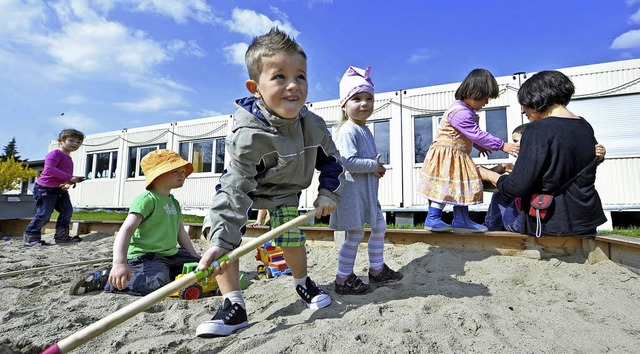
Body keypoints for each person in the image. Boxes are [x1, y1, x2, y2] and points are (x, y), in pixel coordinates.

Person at [195, 28, 345, 337]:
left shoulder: (313, 125)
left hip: (286, 191)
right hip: (248, 187)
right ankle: (233, 305)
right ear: (256, 88)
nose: (293, 86)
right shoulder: (247, 134)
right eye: (279, 77)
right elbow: (236, 187)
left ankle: (303, 282)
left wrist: (327, 192)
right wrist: (222, 239)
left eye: (300, 77)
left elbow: (332, 162)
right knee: (220, 235)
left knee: (290, 235)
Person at [479, 70, 607, 237]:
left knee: (501, 199)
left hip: (552, 224)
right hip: (587, 220)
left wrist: (487, 174)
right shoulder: (584, 126)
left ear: (538, 99)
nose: (523, 111)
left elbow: (516, 186)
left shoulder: (537, 129)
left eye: (524, 104)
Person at [69, 149, 201, 296]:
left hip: (171, 254)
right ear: (156, 176)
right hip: (146, 256)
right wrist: (119, 263)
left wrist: (194, 255)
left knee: (202, 267)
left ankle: (165, 273)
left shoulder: (173, 202)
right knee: (156, 285)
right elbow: (126, 230)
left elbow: (180, 232)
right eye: (174, 171)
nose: (182, 174)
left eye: (182, 171)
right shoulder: (147, 200)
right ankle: (107, 279)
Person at [329, 66, 403, 295]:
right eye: (357, 98)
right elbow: (348, 161)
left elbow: (366, 162)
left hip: (367, 192)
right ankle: (343, 279)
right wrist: (373, 166)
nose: (364, 104)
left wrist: (375, 169)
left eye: (369, 99)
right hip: (352, 192)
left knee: (379, 226)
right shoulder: (348, 131)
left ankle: (377, 270)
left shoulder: (366, 130)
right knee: (355, 234)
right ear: (344, 104)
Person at [417, 69, 519, 233]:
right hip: (447, 156)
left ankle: (461, 219)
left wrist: (478, 145)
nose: (486, 102)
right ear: (475, 93)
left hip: (456, 155)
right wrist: (502, 145)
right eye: (485, 98)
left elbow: (467, 134)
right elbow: (476, 133)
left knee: (464, 185)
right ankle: (433, 218)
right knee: (444, 184)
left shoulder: (465, 110)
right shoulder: (460, 112)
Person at [482, 124, 607, 232]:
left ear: (528, 140)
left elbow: (494, 186)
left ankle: (491, 227)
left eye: (516, 141)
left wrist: (490, 173)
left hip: (526, 223)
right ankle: (491, 227)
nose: (513, 145)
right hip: (567, 219)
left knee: (501, 193)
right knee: (503, 190)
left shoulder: (530, 163)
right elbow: (571, 168)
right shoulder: (551, 158)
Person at [23, 128, 86, 246]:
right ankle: (31, 236)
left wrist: (70, 180)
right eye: (71, 140)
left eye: (78, 142)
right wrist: (70, 177)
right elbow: (49, 169)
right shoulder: (54, 154)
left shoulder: (69, 158)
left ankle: (61, 236)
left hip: (59, 189)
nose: (75, 144)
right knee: (44, 213)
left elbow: (62, 176)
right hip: (45, 189)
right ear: (60, 141)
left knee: (66, 211)